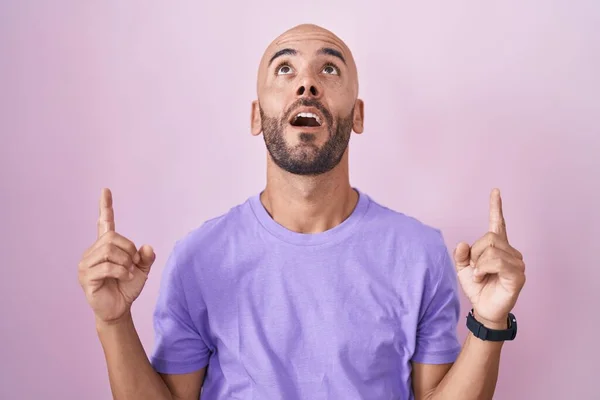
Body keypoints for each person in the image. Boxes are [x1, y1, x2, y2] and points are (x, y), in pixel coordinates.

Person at [78, 24, 526, 400]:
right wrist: (113, 321)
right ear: (257, 117)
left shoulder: (420, 253)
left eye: (329, 69)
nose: (306, 84)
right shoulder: (198, 258)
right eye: (285, 68)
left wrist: (488, 322)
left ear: (357, 116)